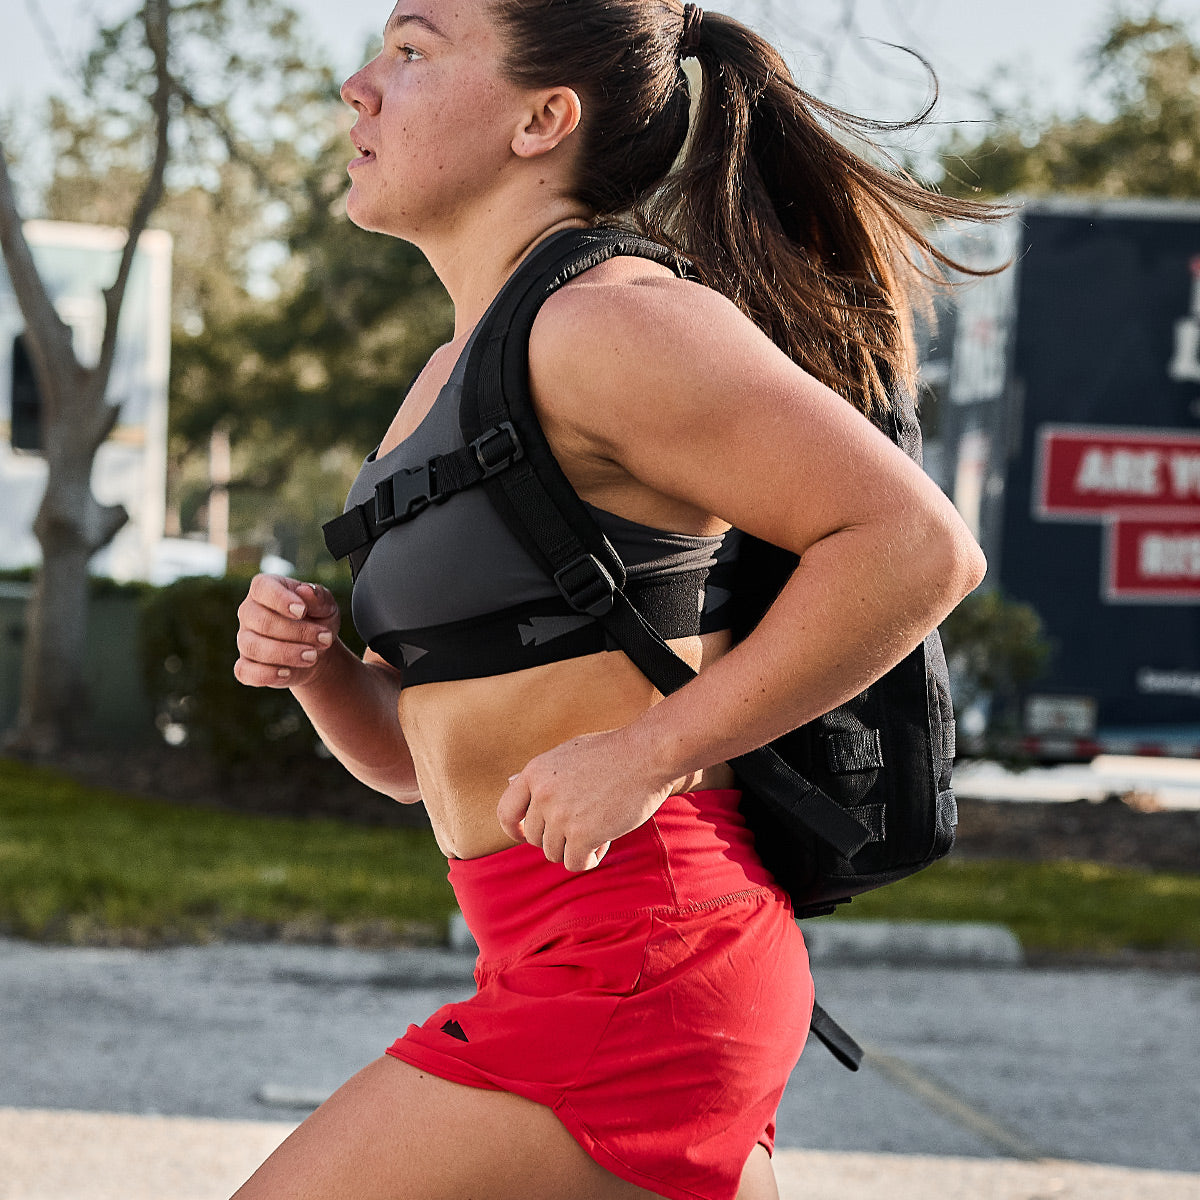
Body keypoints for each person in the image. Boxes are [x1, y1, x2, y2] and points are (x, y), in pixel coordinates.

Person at [231, 2, 990, 1197]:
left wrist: (650, 751)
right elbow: (420, 761)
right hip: (580, 954)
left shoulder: (608, 319)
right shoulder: (457, 368)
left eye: (413, 51)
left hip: (643, 956)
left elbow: (916, 549)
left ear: (544, 119)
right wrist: (320, 665)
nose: (358, 85)